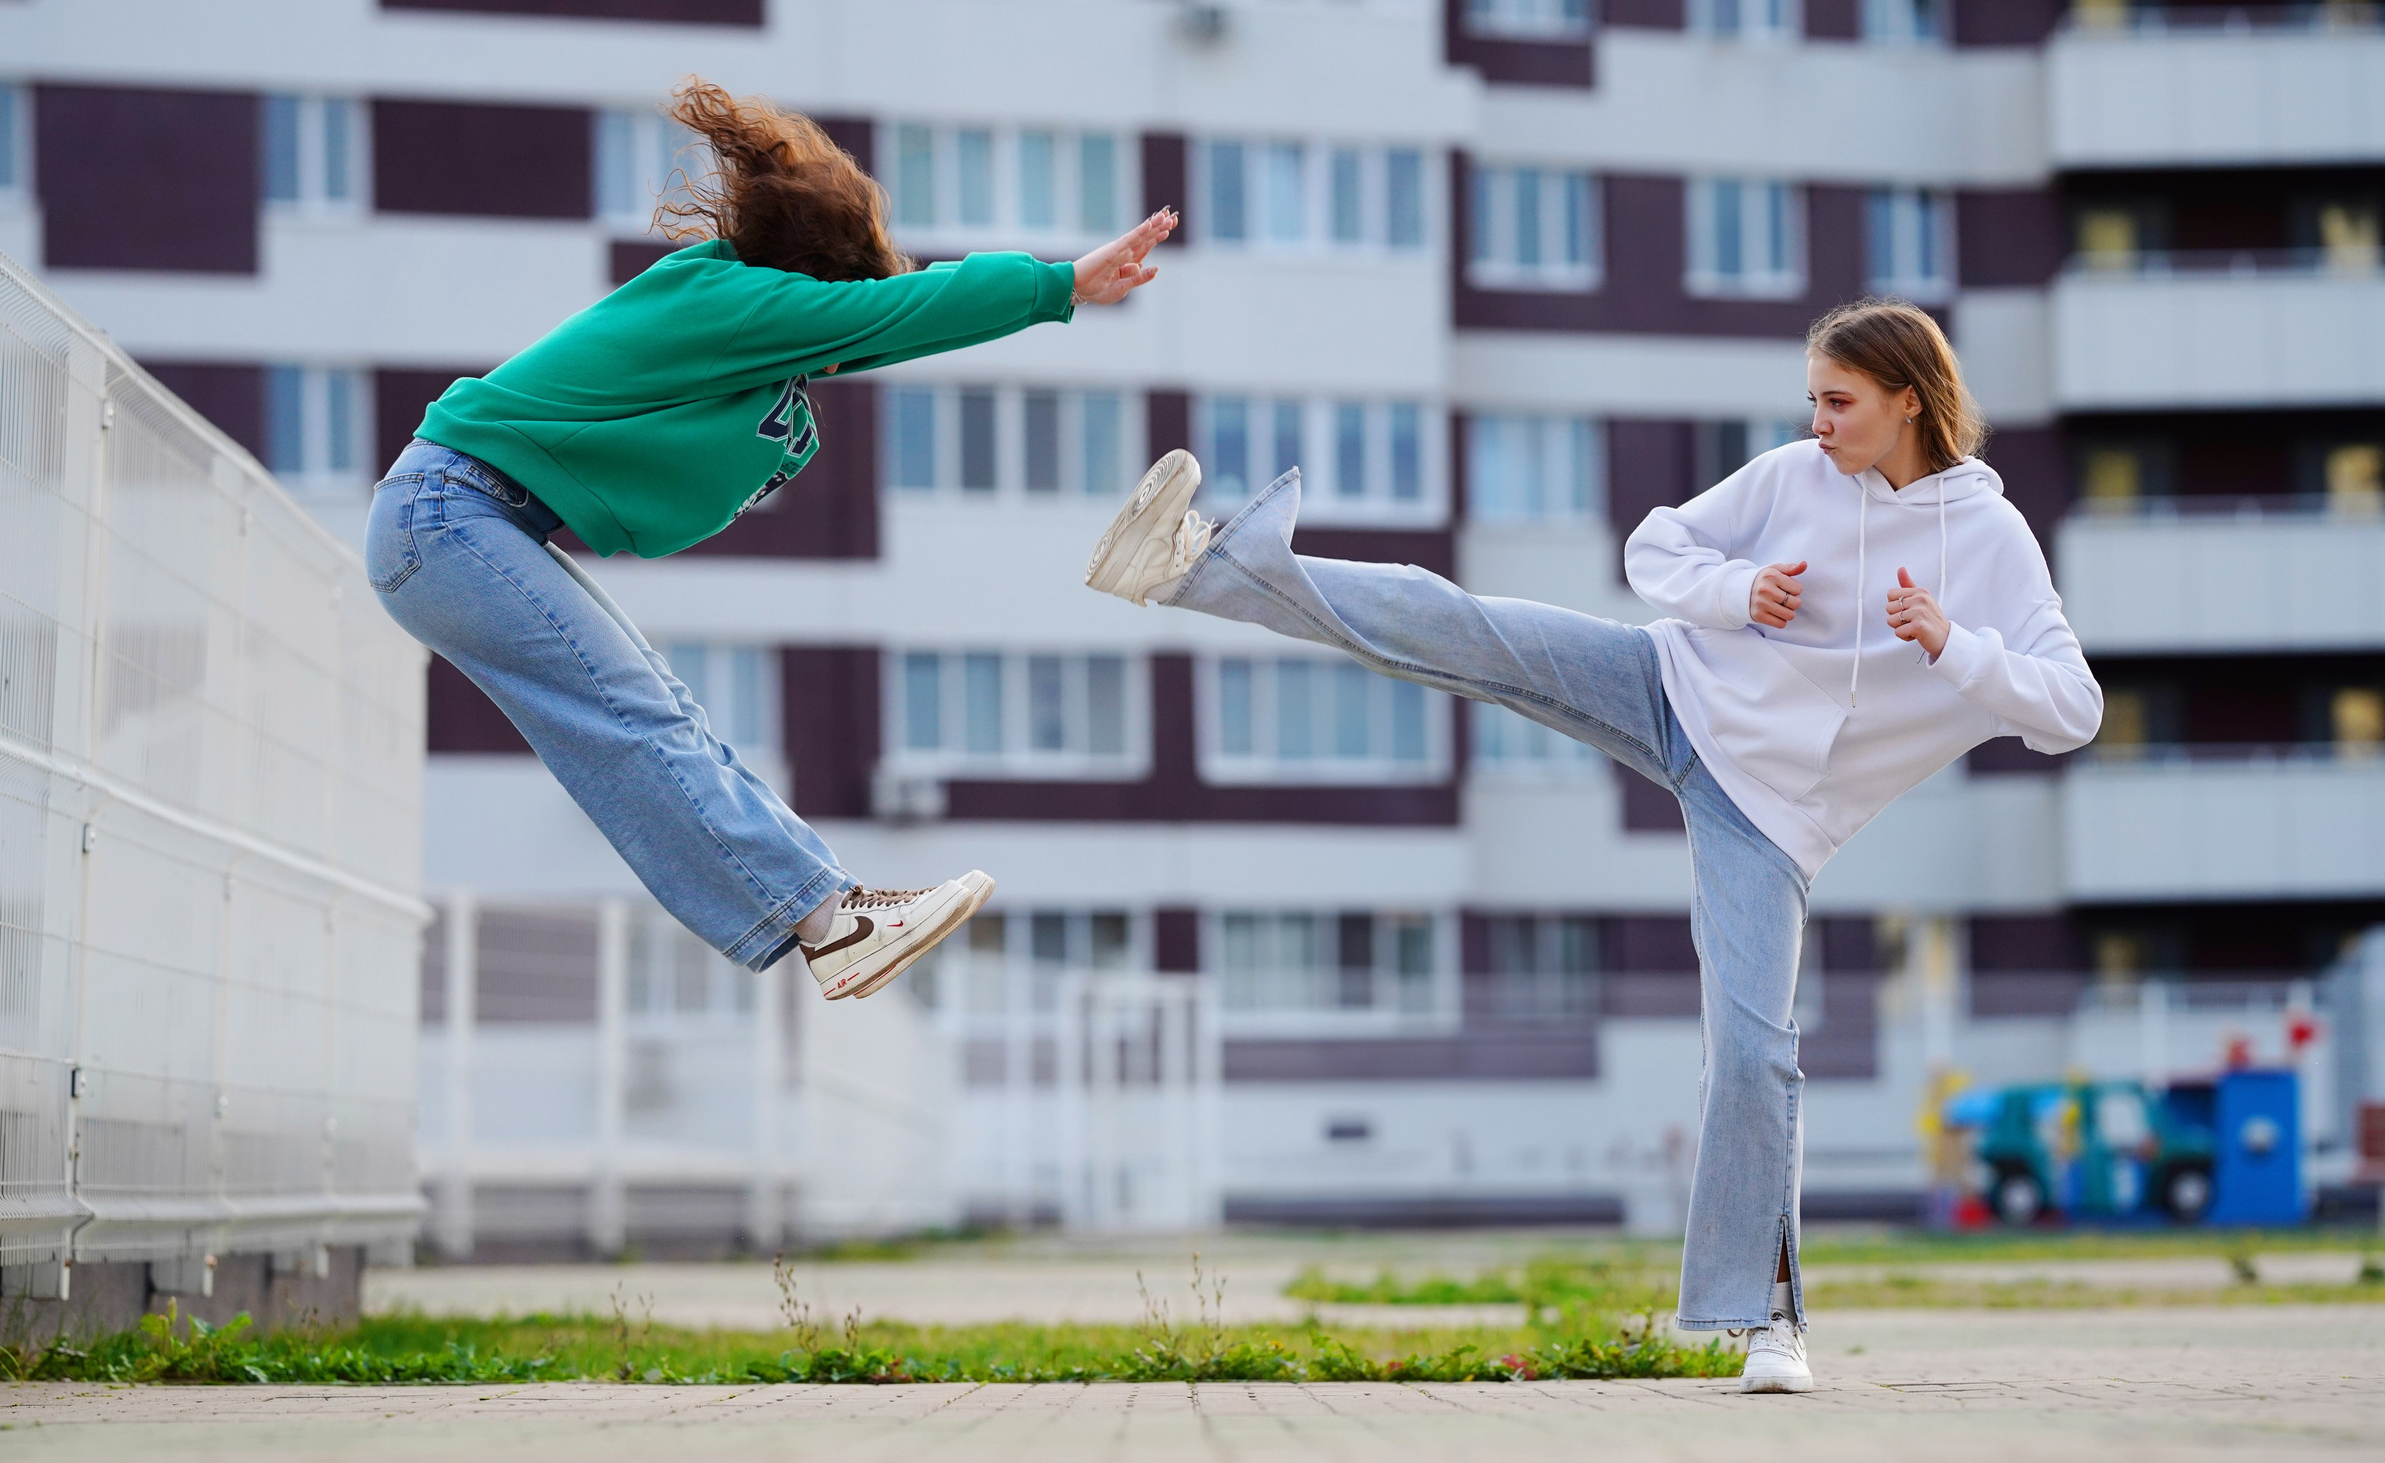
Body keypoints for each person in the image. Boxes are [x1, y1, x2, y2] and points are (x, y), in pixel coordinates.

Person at [1082, 299, 2102, 1393]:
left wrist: (1955, 645)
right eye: (1809, 399)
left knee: (1756, 1053)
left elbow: (2070, 709)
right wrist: (1730, 591)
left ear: (1907, 398)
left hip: (1769, 815)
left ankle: (1768, 1322)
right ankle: (1196, 564)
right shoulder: (1792, 478)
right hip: (1667, 682)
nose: (1816, 423)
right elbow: (1654, 544)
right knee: (1465, 625)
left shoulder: (1988, 541)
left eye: (1837, 402)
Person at [368, 78, 1176, 1003]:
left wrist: (1047, 295)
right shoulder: (727, 304)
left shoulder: (732, 306)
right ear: (811, 288)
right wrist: (1061, 284)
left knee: (659, 706)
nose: (835, 363)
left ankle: (832, 914)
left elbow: (875, 329)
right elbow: (901, 316)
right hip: (448, 515)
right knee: (633, 718)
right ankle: (828, 918)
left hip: (467, 516)